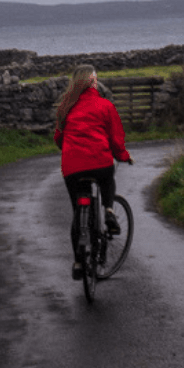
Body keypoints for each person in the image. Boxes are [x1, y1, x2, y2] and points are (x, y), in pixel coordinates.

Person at [53, 64, 133, 280]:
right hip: (100, 161)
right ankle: (109, 211)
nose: (97, 82)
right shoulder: (105, 106)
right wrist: (123, 156)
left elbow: (59, 138)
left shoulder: (65, 107)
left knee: (78, 214)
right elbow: (116, 139)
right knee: (107, 178)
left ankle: (79, 263)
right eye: (95, 80)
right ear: (91, 82)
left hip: (72, 166)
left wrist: (70, 150)